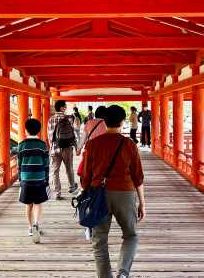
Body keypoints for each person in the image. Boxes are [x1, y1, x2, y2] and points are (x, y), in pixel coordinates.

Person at [82, 105, 146, 278]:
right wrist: (142, 203)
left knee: (99, 241)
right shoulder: (129, 144)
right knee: (130, 235)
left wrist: (88, 196)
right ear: (122, 122)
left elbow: (85, 177)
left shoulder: (93, 144)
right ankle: (123, 273)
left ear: (105, 122)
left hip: (99, 194)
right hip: (125, 193)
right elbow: (138, 177)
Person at [77, 105, 109, 240]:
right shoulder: (107, 124)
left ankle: (88, 223)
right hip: (104, 160)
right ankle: (100, 219)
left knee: (87, 186)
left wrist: (78, 149)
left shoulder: (89, 123)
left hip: (89, 157)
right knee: (102, 190)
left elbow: (83, 139)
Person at [16, 118, 49, 244]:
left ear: (26, 131)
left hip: (26, 178)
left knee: (28, 203)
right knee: (38, 203)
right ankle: (36, 224)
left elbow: (19, 164)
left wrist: (20, 179)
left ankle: (30, 227)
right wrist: (46, 179)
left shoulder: (22, 145)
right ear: (39, 130)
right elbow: (46, 164)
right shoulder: (42, 145)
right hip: (39, 177)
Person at [47, 100, 79, 199]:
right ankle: (72, 187)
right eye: (65, 106)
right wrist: (77, 147)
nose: (66, 108)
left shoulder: (51, 119)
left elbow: (49, 136)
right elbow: (74, 133)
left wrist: (51, 147)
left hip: (54, 148)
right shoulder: (69, 119)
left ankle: (57, 192)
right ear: (62, 108)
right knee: (69, 168)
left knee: (55, 171)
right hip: (67, 148)